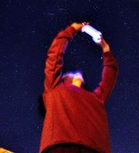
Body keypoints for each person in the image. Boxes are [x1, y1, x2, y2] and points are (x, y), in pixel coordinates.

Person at [39, 22, 119, 153]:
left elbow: (110, 75)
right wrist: (73, 29)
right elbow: (54, 56)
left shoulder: (96, 98)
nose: (77, 72)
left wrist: (105, 48)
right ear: (63, 78)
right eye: (71, 73)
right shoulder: (54, 88)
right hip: (60, 147)